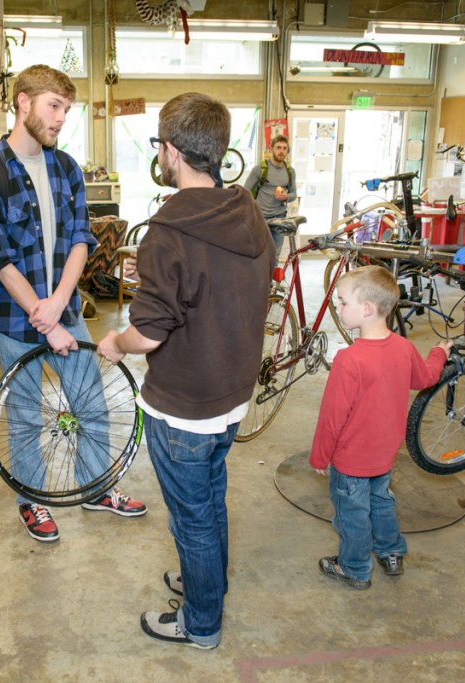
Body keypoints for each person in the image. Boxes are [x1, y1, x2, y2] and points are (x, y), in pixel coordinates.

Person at [97, 92, 273, 649]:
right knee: (210, 496)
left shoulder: (167, 231)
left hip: (183, 406)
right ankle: (209, 583)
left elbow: (149, 332)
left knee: (191, 516)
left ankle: (201, 621)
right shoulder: (247, 212)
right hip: (231, 394)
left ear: (170, 151)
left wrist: (115, 344)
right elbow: (229, 289)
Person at [0, 64, 146, 543]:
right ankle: (33, 500)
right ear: (23, 103)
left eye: (67, 109)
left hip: (62, 311)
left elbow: (80, 239)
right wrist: (44, 320)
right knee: (25, 412)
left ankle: (94, 487)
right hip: (12, 319)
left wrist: (60, 304)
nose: (62, 118)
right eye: (54, 106)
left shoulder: (65, 168)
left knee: (92, 401)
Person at [310, 266, 452, 590]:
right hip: (384, 455)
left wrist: (320, 457)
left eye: (343, 302)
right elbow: (425, 378)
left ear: (367, 309)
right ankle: (391, 553)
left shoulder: (350, 360)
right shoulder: (402, 347)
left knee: (352, 514)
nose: (338, 308)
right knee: (381, 501)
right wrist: (438, 353)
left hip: (351, 462)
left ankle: (355, 568)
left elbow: (332, 418)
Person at [242, 134, 296, 260]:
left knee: (275, 256)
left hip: (280, 219)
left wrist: (286, 196)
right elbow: (245, 190)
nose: (281, 151)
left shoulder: (290, 171)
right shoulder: (260, 169)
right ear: (271, 149)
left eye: (284, 148)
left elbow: (294, 194)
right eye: (278, 147)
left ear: (287, 151)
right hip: (261, 218)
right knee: (258, 254)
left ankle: (271, 280)